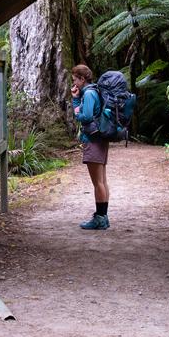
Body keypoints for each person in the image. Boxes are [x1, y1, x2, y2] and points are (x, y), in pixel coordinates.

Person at [70, 65, 110, 230]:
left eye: (75, 80)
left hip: (92, 141)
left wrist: (76, 107)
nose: (74, 83)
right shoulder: (94, 91)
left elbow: (85, 117)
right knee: (102, 181)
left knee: (98, 183)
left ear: (82, 79)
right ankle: (103, 217)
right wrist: (76, 98)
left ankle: (100, 219)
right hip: (100, 139)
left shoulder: (88, 94)